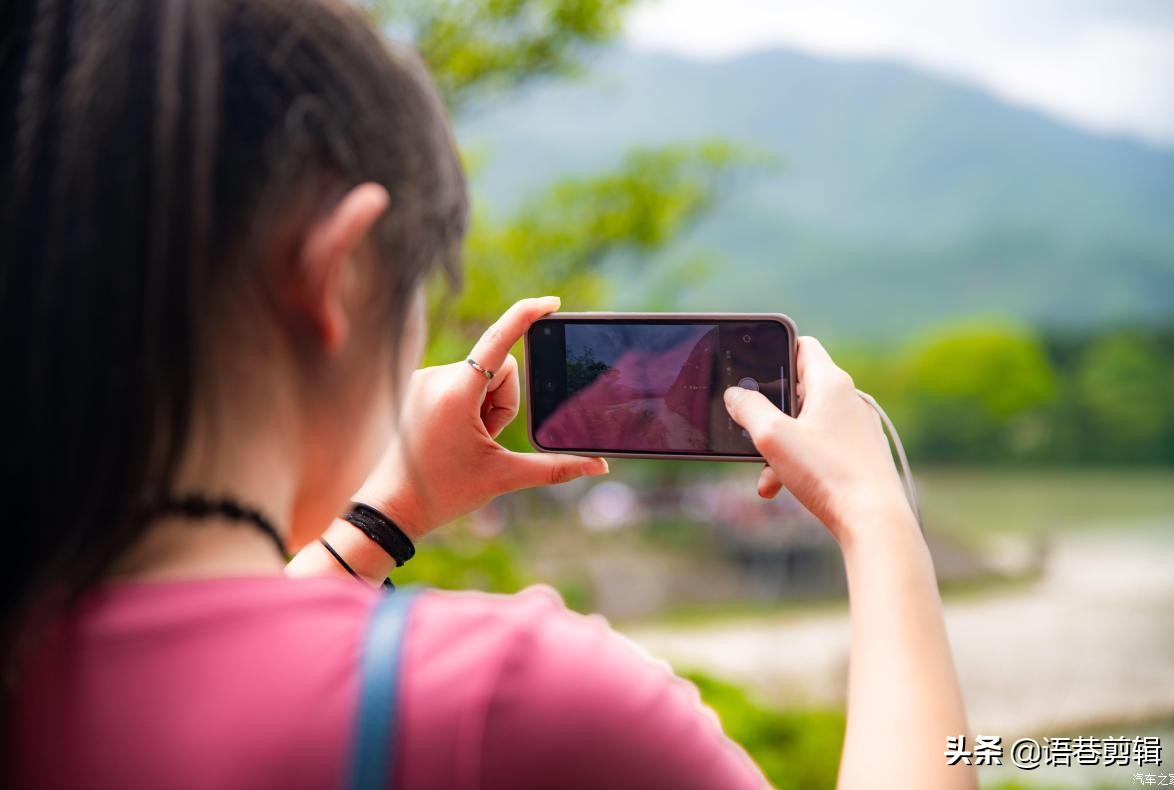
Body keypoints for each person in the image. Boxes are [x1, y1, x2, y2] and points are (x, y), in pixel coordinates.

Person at [0, 1, 976, 788]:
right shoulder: (517, 699)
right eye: (419, 288)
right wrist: (877, 517)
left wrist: (385, 515)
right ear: (336, 278)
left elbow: (195, 666)